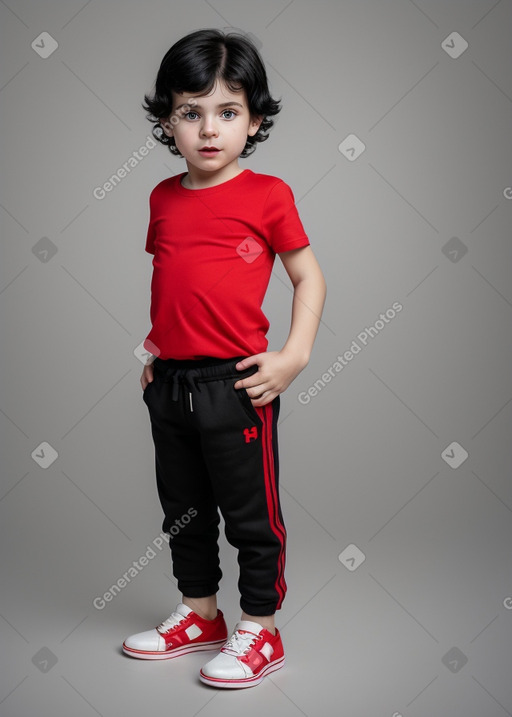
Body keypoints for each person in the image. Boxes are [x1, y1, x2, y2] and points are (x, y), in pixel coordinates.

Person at [122, 28, 326, 689]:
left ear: (255, 119)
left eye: (228, 111)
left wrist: (292, 356)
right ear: (166, 120)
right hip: (172, 384)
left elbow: (309, 278)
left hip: (235, 383)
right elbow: (173, 281)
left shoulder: (268, 195)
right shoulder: (162, 197)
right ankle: (200, 613)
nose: (209, 130)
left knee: (248, 513)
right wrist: (155, 351)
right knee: (183, 507)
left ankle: (261, 629)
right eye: (190, 111)